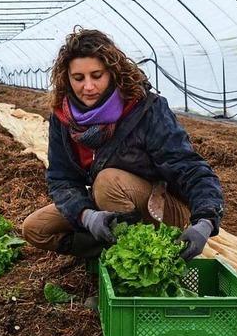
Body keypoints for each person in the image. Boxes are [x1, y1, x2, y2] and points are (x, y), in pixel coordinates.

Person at [22, 28, 224, 261]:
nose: (88, 87)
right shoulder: (63, 118)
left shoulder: (145, 108)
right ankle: (115, 254)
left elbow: (188, 166)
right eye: (78, 78)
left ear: (112, 73)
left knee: (107, 182)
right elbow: (61, 178)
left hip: (161, 207)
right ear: (66, 78)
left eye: (96, 76)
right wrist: (87, 216)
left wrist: (205, 221)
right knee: (35, 228)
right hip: (109, 203)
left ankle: (135, 263)